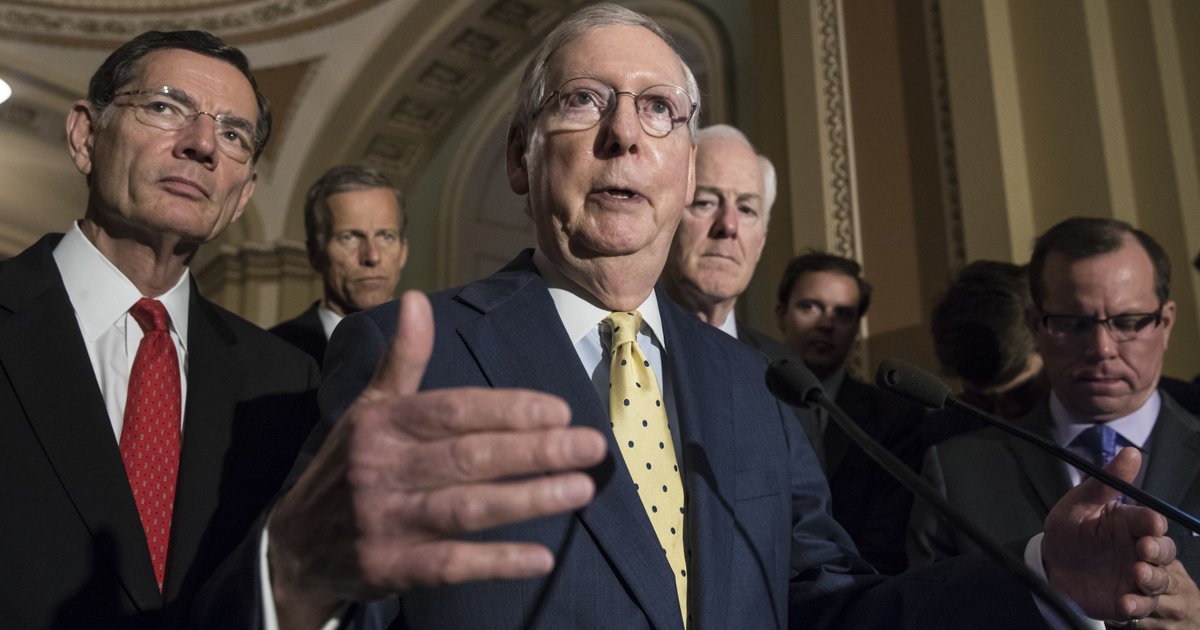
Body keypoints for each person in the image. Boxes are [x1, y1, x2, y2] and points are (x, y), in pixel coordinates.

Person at [199, 6, 1177, 629]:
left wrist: (1044, 576)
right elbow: (336, 591)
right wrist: (296, 581)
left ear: (683, 168)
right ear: (519, 160)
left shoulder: (755, 382)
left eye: (660, 109)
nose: (625, 133)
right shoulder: (412, 352)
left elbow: (829, 611)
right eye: (584, 101)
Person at [0, 31, 319, 628]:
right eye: (165, 106)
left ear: (242, 196)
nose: (202, 145)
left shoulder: (285, 381)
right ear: (85, 136)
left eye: (234, 135)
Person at [910, 217, 1200, 626]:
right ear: (1036, 326)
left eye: (1127, 322)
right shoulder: (957, 471)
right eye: (1073, 323)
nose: (1101, 348)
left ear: (1165, 323)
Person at [773, 251, 927, 574]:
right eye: (810, 307)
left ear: (857, 327)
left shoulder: (892, 416)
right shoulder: (745, 400)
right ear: (781, 314)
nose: (826, 324)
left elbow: (887, 538)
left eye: (843, 314)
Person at [271, 164, 409, 367]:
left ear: (403, 252)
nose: (372, 256)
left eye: (386, 236)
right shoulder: (274, 351)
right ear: (315, 253)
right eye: (349, 237)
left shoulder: (445, 346)